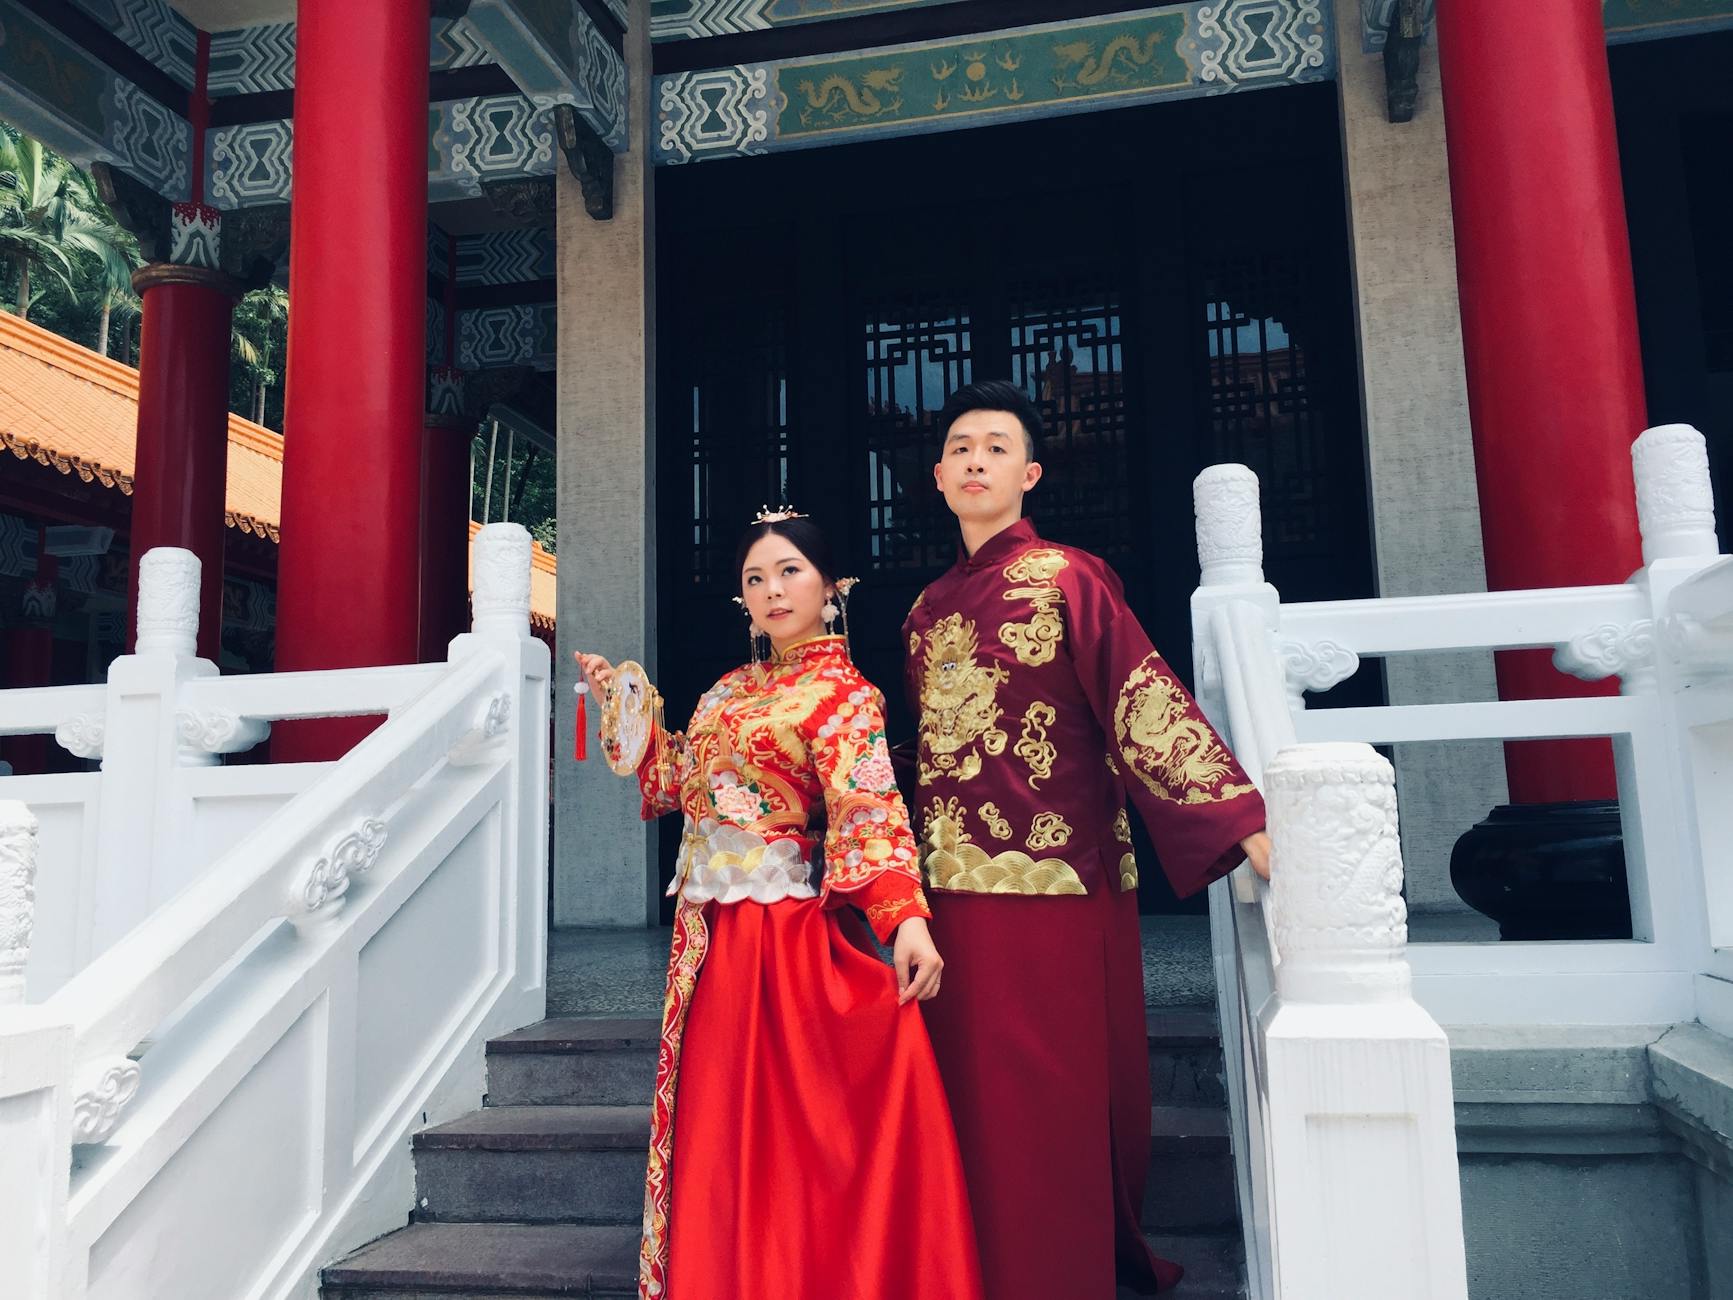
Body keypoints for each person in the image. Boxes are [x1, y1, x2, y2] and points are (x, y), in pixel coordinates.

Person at [903, 379, 1272, 1298]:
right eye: (959, 447)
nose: (975, 459)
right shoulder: (922, 613)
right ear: (938, 477)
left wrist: (1232, 816)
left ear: (1027, 474)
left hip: (1057, 879)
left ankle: (1055, 1274)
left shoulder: (1066, 577)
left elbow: (1136, 697)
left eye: (995, 446)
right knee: (968, 1094)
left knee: (1046, 1092)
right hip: (949, 888)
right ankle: (974, 1264)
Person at [575, 510, 983, 1300]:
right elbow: (674, 787)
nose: (771, 590)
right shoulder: (727, 689)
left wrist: (903, 919)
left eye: (790, 571)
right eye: (755, 579)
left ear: (832, 589)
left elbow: (867, 808)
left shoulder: (844, 696)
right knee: (726, 1125)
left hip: (778, 931)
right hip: (709, 935)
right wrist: (625, 710)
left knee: (791, 1126)